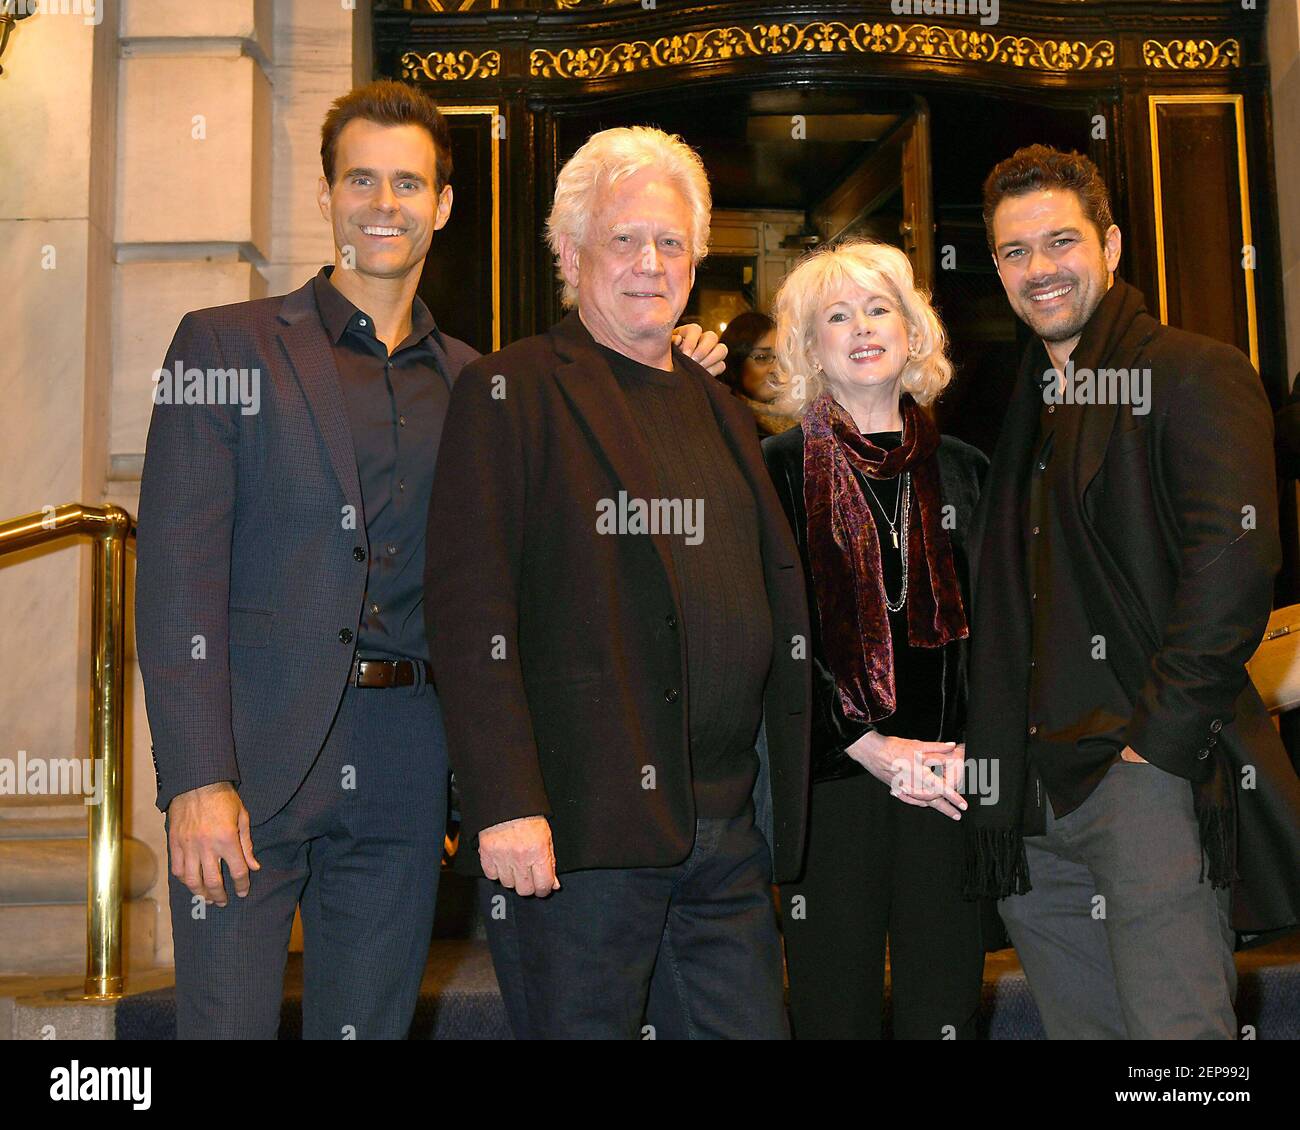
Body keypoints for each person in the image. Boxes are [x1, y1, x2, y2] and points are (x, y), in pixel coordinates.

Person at [136, 82, 725, 1040]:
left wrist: (670, 363)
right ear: (326, 196)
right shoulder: (225, 344)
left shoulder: (483, 384)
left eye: (408, 183)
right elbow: (175, 580)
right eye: (360, 179)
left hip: (410, 765)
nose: (384, 203)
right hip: (250, 766)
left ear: (443, 207)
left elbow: (555, 555)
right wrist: (196, 778)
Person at [425, 125, 811, 1039]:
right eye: (624, 239)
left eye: (671, 242)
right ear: (570, 253)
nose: (650, 262)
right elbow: (468, 610)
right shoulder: (510, 391)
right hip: (577, 836)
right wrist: (505, 800)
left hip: (722, 834)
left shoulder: (719, 405)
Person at [965, 144, 1300, 1039]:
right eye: (1014, 251)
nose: (1040, 268)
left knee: (1181, 1056)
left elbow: (1234, 566)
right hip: (1035, 800)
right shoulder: (1028, 409)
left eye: (1060, 241)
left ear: (1110, 245)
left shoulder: (1192, 370)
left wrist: (1155, 752)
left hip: (1143, 781)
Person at [762, 240, 987, 1039]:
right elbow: (775, 639)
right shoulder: (775, 472)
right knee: (833, 1012)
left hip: (951, 781)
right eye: (836, 315)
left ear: (913, 328)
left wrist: (970, 750)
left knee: (944, 1007)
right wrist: (868, 745)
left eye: (879, 307)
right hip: (832, 783)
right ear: (809, 348)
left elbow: (1002, 634)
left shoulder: (965, 470)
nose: (861, 328)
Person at [720, 311, 796, 436]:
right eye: (762, 357)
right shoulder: (726, 425)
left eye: (782, 358)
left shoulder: (806, 419)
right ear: (735, 362)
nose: (776, 368)